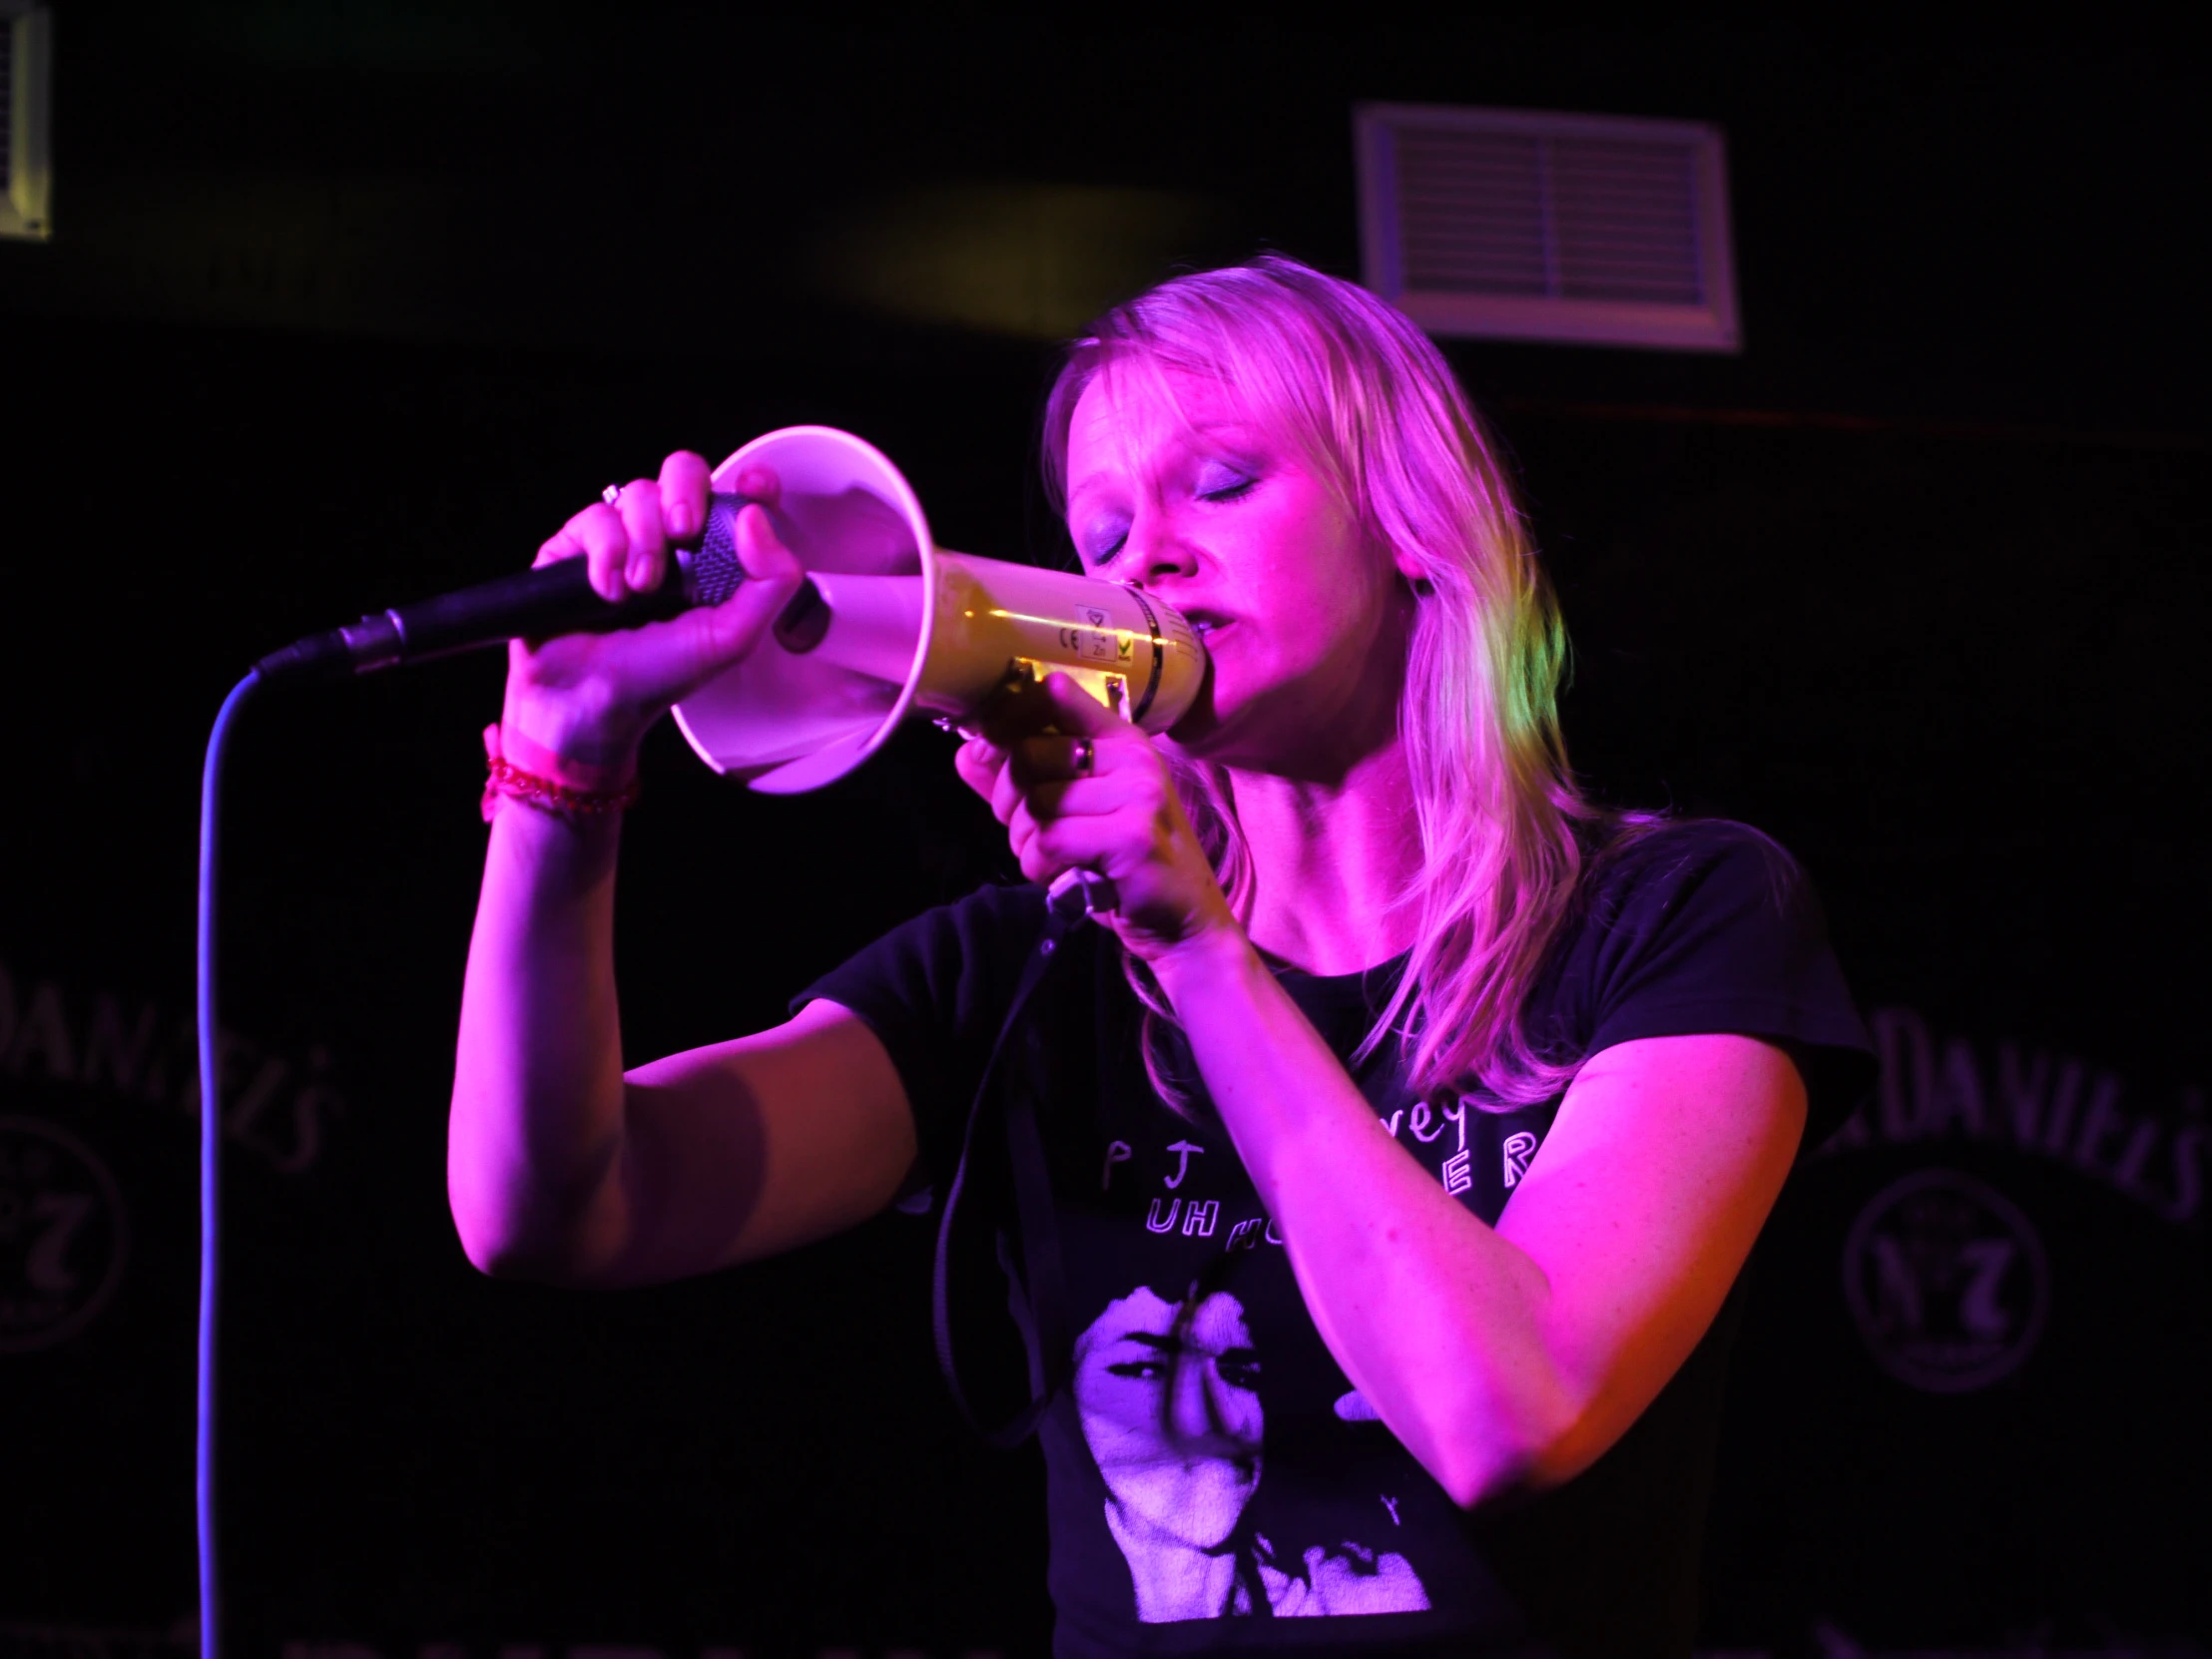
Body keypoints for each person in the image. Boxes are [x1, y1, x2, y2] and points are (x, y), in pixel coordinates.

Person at [448, 256, 1874, 1658]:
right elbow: (563, 1208)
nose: (1146, 559)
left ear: (1409, 519)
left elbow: (1508, 1414)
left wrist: (1200, 951)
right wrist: (556, 778)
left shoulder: (1678, 917)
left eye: (1225, 480)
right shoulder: (1032, 971)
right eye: (1103, 522)